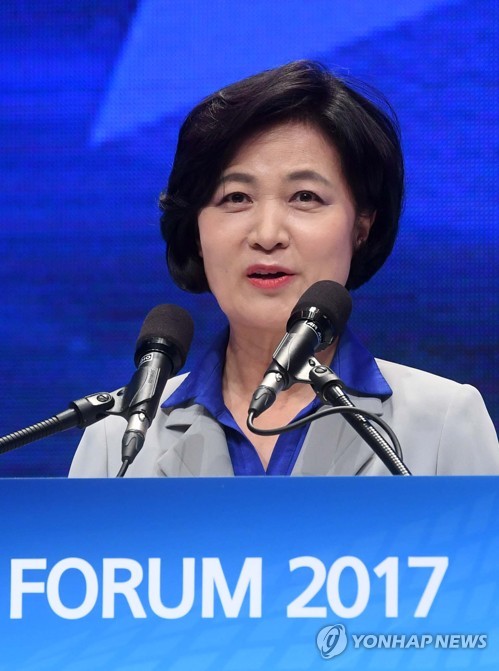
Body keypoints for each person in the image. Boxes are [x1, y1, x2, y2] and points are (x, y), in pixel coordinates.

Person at [69, 60, 498, 478]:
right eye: (236, 198)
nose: (268, 234)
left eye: (305, 197)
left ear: (362, 227)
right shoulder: (117, 440)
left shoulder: (443, 423)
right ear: (196, 231)